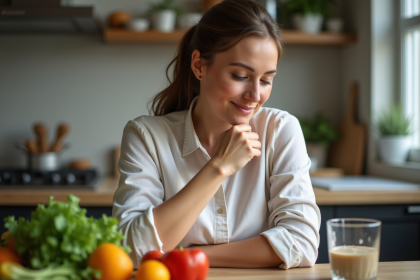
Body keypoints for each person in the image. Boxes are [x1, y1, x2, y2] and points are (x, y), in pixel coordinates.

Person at [112, 0, 320, 269]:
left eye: (266, 80)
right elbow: (130, 249)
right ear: (199, 65)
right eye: (240, 75)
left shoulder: (280, 130)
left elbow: (301, 244)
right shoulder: (146, 136)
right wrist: (218, 167)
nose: (255, 96)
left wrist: (191, 255)